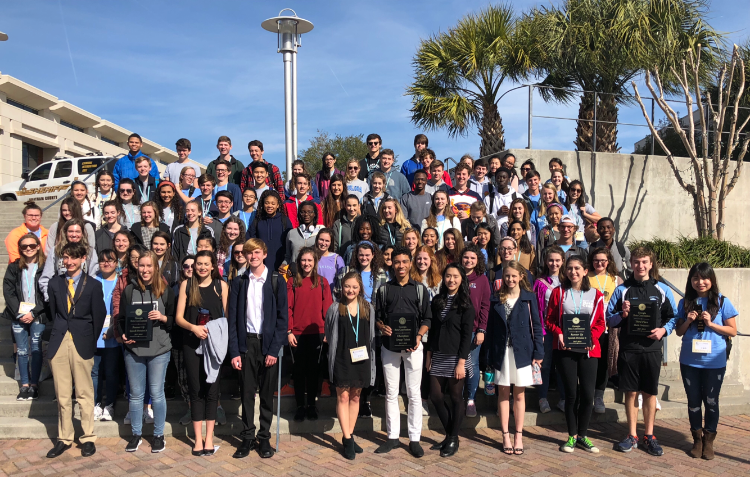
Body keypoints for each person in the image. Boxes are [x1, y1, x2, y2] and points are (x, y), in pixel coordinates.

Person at [608, 247, 677, 456]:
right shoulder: (622, 289)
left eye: (644, 262)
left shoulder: (663, 289)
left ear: (651, 264)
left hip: (652, 349)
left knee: (650, 392)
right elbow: (608, 319)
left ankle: (649, 435)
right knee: (630, 392)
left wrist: (664, 330)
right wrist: (623, 313)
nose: (640, 266)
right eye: (636, 262)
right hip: (629, 348)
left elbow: (673, 317)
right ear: (631, 264)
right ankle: (631, 435)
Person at [228, 239, 288, 459]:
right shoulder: (239, 282)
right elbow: (233, 320)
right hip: (246, 344)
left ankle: (264, 438)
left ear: (264, 254)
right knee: (246, 393)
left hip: (268, 344)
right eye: (248, 253)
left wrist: (273, 350)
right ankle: (247, 437)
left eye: (256, 252)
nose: (252, 256)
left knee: (265, 394)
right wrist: (234, 351)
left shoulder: (275, 281)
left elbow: (283, 319)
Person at [45, 242, 105, 458]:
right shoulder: (55, 283)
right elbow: (53, 313)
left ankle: (88, 437)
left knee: (84, 393)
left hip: (83, 340)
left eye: (73, 258)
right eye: (65, 258)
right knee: (62, 395)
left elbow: (98, 316)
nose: (69, 262)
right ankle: (64, 438)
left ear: (82, 259)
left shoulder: (93, 286)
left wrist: (90, 339)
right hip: (60, 340)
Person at [674, 262, 738, 460]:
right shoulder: (685, 302)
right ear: (690, 280)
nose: (700, 282)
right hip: (690, 361)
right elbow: (679, 332)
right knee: (693, 402)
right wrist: (688, 320)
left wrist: (711, 324)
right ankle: (697, 439)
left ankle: (709, 440)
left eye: (704, 278)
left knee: (711, 402)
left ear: (711, 280)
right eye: (695, 278)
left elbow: (733, 331)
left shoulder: (722, 302)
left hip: (714, 361)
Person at [374, 247, 431, 458]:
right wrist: (382, 327)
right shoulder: (384, 290)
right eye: (397, 262)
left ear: (410, 263)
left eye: (405, 261)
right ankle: (393, 437)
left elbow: (427, 319)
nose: (401, 265)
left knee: (414, 394)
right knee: (391, 392)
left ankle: (414, 438)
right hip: (389, 347)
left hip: (413, 348)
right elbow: (378, 317)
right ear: (392, 264)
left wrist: (418, 337)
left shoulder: (420, 289)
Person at [546, 255, 606, 453]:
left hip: (589, 350)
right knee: (571, 394)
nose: (573, 272)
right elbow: (550, 320)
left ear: (585, 271)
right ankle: (572, 436)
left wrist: (592, 338)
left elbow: (600, 323)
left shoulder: (596, 294)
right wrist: (560, 333)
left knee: (588, 395)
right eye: (570, 268)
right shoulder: (558, 292)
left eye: (577, 268)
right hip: (565, 349)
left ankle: (583, 435)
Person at [483, 261, 544, 455]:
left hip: (522, 352)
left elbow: (537, 326)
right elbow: (491, 330)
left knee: (519, 394)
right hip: (501, 353)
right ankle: (505, 435)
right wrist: (488, 357)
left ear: (521, 276)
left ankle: (518, 434)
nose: (510, 279)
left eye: (513, 276)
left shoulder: (529, 298)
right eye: (507, 276)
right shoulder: (496, 299)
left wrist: (539, 352)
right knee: (503, 393)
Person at [118, 251, 175, 453]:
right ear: (137, 267)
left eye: (149, 266)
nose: (145, 270)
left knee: (157, 393)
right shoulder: (129, 290)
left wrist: (162, 317)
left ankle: (158, 435)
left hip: (159, 349)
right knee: (135, 395)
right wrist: (124, 334)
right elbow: (121, 318)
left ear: (155, 267)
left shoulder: (165, 290)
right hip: (134, 349)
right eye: (142, 266)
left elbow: (174, 319)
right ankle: (136, 434)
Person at [175, 250, 228, 456]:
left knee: (212, 391)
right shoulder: (187, 285)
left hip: (214, 345)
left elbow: (228, 317)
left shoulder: (220, 286)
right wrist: (193, 328)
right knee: (196, 390)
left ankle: (209, 438)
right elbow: (179, 317)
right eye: (199, 264)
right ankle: (197, 439)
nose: (202, 267)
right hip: (191, 342)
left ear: (213, 266)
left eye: (207, 264)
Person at [326, 271, 376, 459]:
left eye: (354, 287)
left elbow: (370, 336)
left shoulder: (368, 308)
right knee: (343, 397)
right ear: (342, 287)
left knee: (356, 398)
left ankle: (350, 434)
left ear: (360, 288)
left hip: (361, 359)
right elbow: (330, 335)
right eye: (347, 286)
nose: (351, 290)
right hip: (342, 359)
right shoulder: (335, 308)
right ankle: (347, 439)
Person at [426, 264, 474, 457]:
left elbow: (466, 335)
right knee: (436, 396)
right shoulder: (438, 300)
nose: (451, 280)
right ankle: (450, 435)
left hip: (457, 356)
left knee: (455, 398)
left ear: (461, 279)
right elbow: (433, 330)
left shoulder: (466, 304)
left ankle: (453, 438)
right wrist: (429, 355)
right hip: (438, 354)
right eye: (448, 276)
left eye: (455, 276)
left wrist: (461, 362)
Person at [287, 247, 333, 421]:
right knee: (299, 371)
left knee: (314, 371)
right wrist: (289, 331)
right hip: (297, 333)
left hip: (317, 333)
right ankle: (300, 406)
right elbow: (288, 308)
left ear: (315, 262)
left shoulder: (322, 282)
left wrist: (327, 331)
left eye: (309, 261)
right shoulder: (292, 282)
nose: (306, 264)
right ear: (299, 262)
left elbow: (328, 309)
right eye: (303, 260)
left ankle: (312, 405)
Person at [4, 233, 47, 401]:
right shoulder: (14, 267)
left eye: (31, 245)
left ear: (38, 246)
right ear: (20, 249)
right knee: (22, 351)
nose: (28, 249)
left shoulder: (45, 267)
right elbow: (8, 291)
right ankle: (24, 385)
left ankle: (34, 385)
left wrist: (34, 312)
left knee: (36, 349)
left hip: (38, 315)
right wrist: (19, 313)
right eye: (24, 246)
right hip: (19, 315)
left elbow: (48, 294)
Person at [588, 247, 623, 414]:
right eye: (596, 260)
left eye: (603, 260)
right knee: (589, 362)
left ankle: (599, 396)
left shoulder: (616, 280)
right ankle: (587, 395)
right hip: (591, 327)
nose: (599, 263)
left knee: (604, 362)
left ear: (608, 261)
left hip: (609, 327)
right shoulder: (586, 277)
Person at [533, 245, 567, 414]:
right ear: (546, 261)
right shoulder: (540, 283)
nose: (554, 263)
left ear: (563, 261)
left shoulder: (569, 281)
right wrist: (539, 332)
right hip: (546, 331)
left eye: (557, 260)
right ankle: (542, 398)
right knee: (544, 366)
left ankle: (563, 399)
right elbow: (537, 308)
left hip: (564, 331)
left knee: (563, 365)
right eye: (551, 260)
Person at [460, 244, 491, 416]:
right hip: (456, 329)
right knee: (456, 363)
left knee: (471, 364)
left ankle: (470, 399)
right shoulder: (454, 275)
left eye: (472, 258)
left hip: (474, 330)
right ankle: (458, 397)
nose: (469, 260)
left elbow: (485, 306)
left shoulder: (482, 279)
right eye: (466, 257)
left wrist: (482, 329)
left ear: (477, 260)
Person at [40, 218, 99, 300]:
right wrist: (50, 297)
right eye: (70, 231)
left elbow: (94, 276)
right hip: (61, 296)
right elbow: (45, 278)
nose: (74, 235)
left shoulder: (90, 251)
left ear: (82, 233)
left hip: (82, 297)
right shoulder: (55, 250)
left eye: (77, 231)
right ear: (65, 233)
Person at [91, 250, 120, 421]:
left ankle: (109, 404)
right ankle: (95, 404)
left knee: (110, 372)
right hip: (95, 335)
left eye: (110, 261)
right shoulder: (93, 282)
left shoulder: (120, 282)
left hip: (112, 336)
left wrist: (113, 330)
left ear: (116, 263)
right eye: (103, 261)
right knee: (94, 373)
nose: (106, 264)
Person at [246, 190, 292, 272]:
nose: (269, 206)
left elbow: (290, 243)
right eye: (267, 203)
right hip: (260, 264)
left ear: (278, 205)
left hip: (281, 265)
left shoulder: (284, 220)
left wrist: (286, 262)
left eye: (273, 203)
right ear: (263, 204)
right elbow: (250, 239)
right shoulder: (258, 220)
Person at [174, 254, 196, 426]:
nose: (189, 269)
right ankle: (191, 408)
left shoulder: (205, 286)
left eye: (192, 265)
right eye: (186, 266)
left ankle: (213, 408)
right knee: (183, 377)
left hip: (200, 338)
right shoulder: (175, 288)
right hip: (179, 339)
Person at [284, 202, 324, 273]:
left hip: (314, 273)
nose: (306, 215)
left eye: (310, 212)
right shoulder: (291, 233)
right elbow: (288, 256)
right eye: (303, 212)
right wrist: (283, 265)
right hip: (295, 274)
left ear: (314, 214)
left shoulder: (321, 234)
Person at [172, 201, 216, 265]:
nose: (190, 213)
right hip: (185, 267)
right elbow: (175, 254)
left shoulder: (207, 230)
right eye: (187, 210)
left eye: (193, 210)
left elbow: (212, 251)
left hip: (202, 265)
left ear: (199, 212)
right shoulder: (178, 230)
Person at [566, 180, 600, 248]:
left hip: (580, 237)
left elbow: (599, 219)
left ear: (581, 193)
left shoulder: (585, 206)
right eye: (573, 190)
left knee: (584, 257)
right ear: (569, 190)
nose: (575, 192)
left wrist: (585, 214)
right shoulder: (563, 206)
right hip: (567, 237)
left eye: (578, 191)